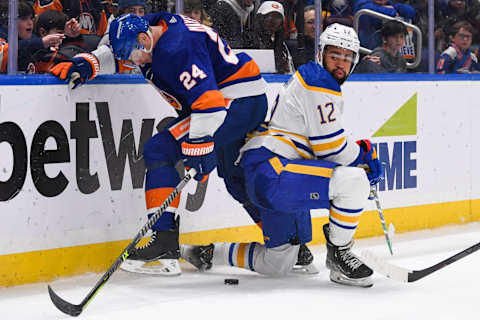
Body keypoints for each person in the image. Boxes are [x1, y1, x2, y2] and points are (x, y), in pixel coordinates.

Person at [182, 23, 383, 288]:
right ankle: (340, 253)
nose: (340, 64)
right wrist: (362, 158)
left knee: (279, 262)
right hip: (273, 172)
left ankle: (205, 252)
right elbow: (330, 148)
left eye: (347, 58)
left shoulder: (312, 79)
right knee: (354, 181)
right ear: (321, 53)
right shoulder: (318, 80)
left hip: (269, 170)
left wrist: (357, 153)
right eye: (335, 55)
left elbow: (321, 142)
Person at [250, 1, 294, 74]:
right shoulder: (247, 41)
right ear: (260, 18)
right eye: (269, 16)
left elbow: (289, 73)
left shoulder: (283, 48)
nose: (273, 21)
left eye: (277, 18)